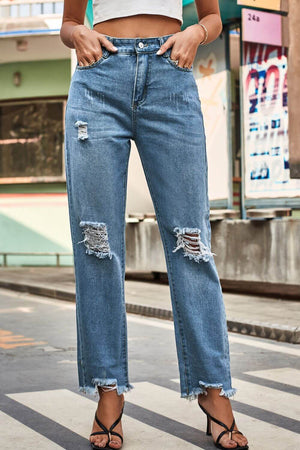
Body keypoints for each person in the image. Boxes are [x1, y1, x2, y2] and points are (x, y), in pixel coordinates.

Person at [60, 1, 249, 449]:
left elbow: (212, 18)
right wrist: (77, 34)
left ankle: (214, 391)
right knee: (97, 246)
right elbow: (68, 23)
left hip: (170, 76)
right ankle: (108, 391)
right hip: (98, 79)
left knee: (191, 244)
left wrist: (195, 35)